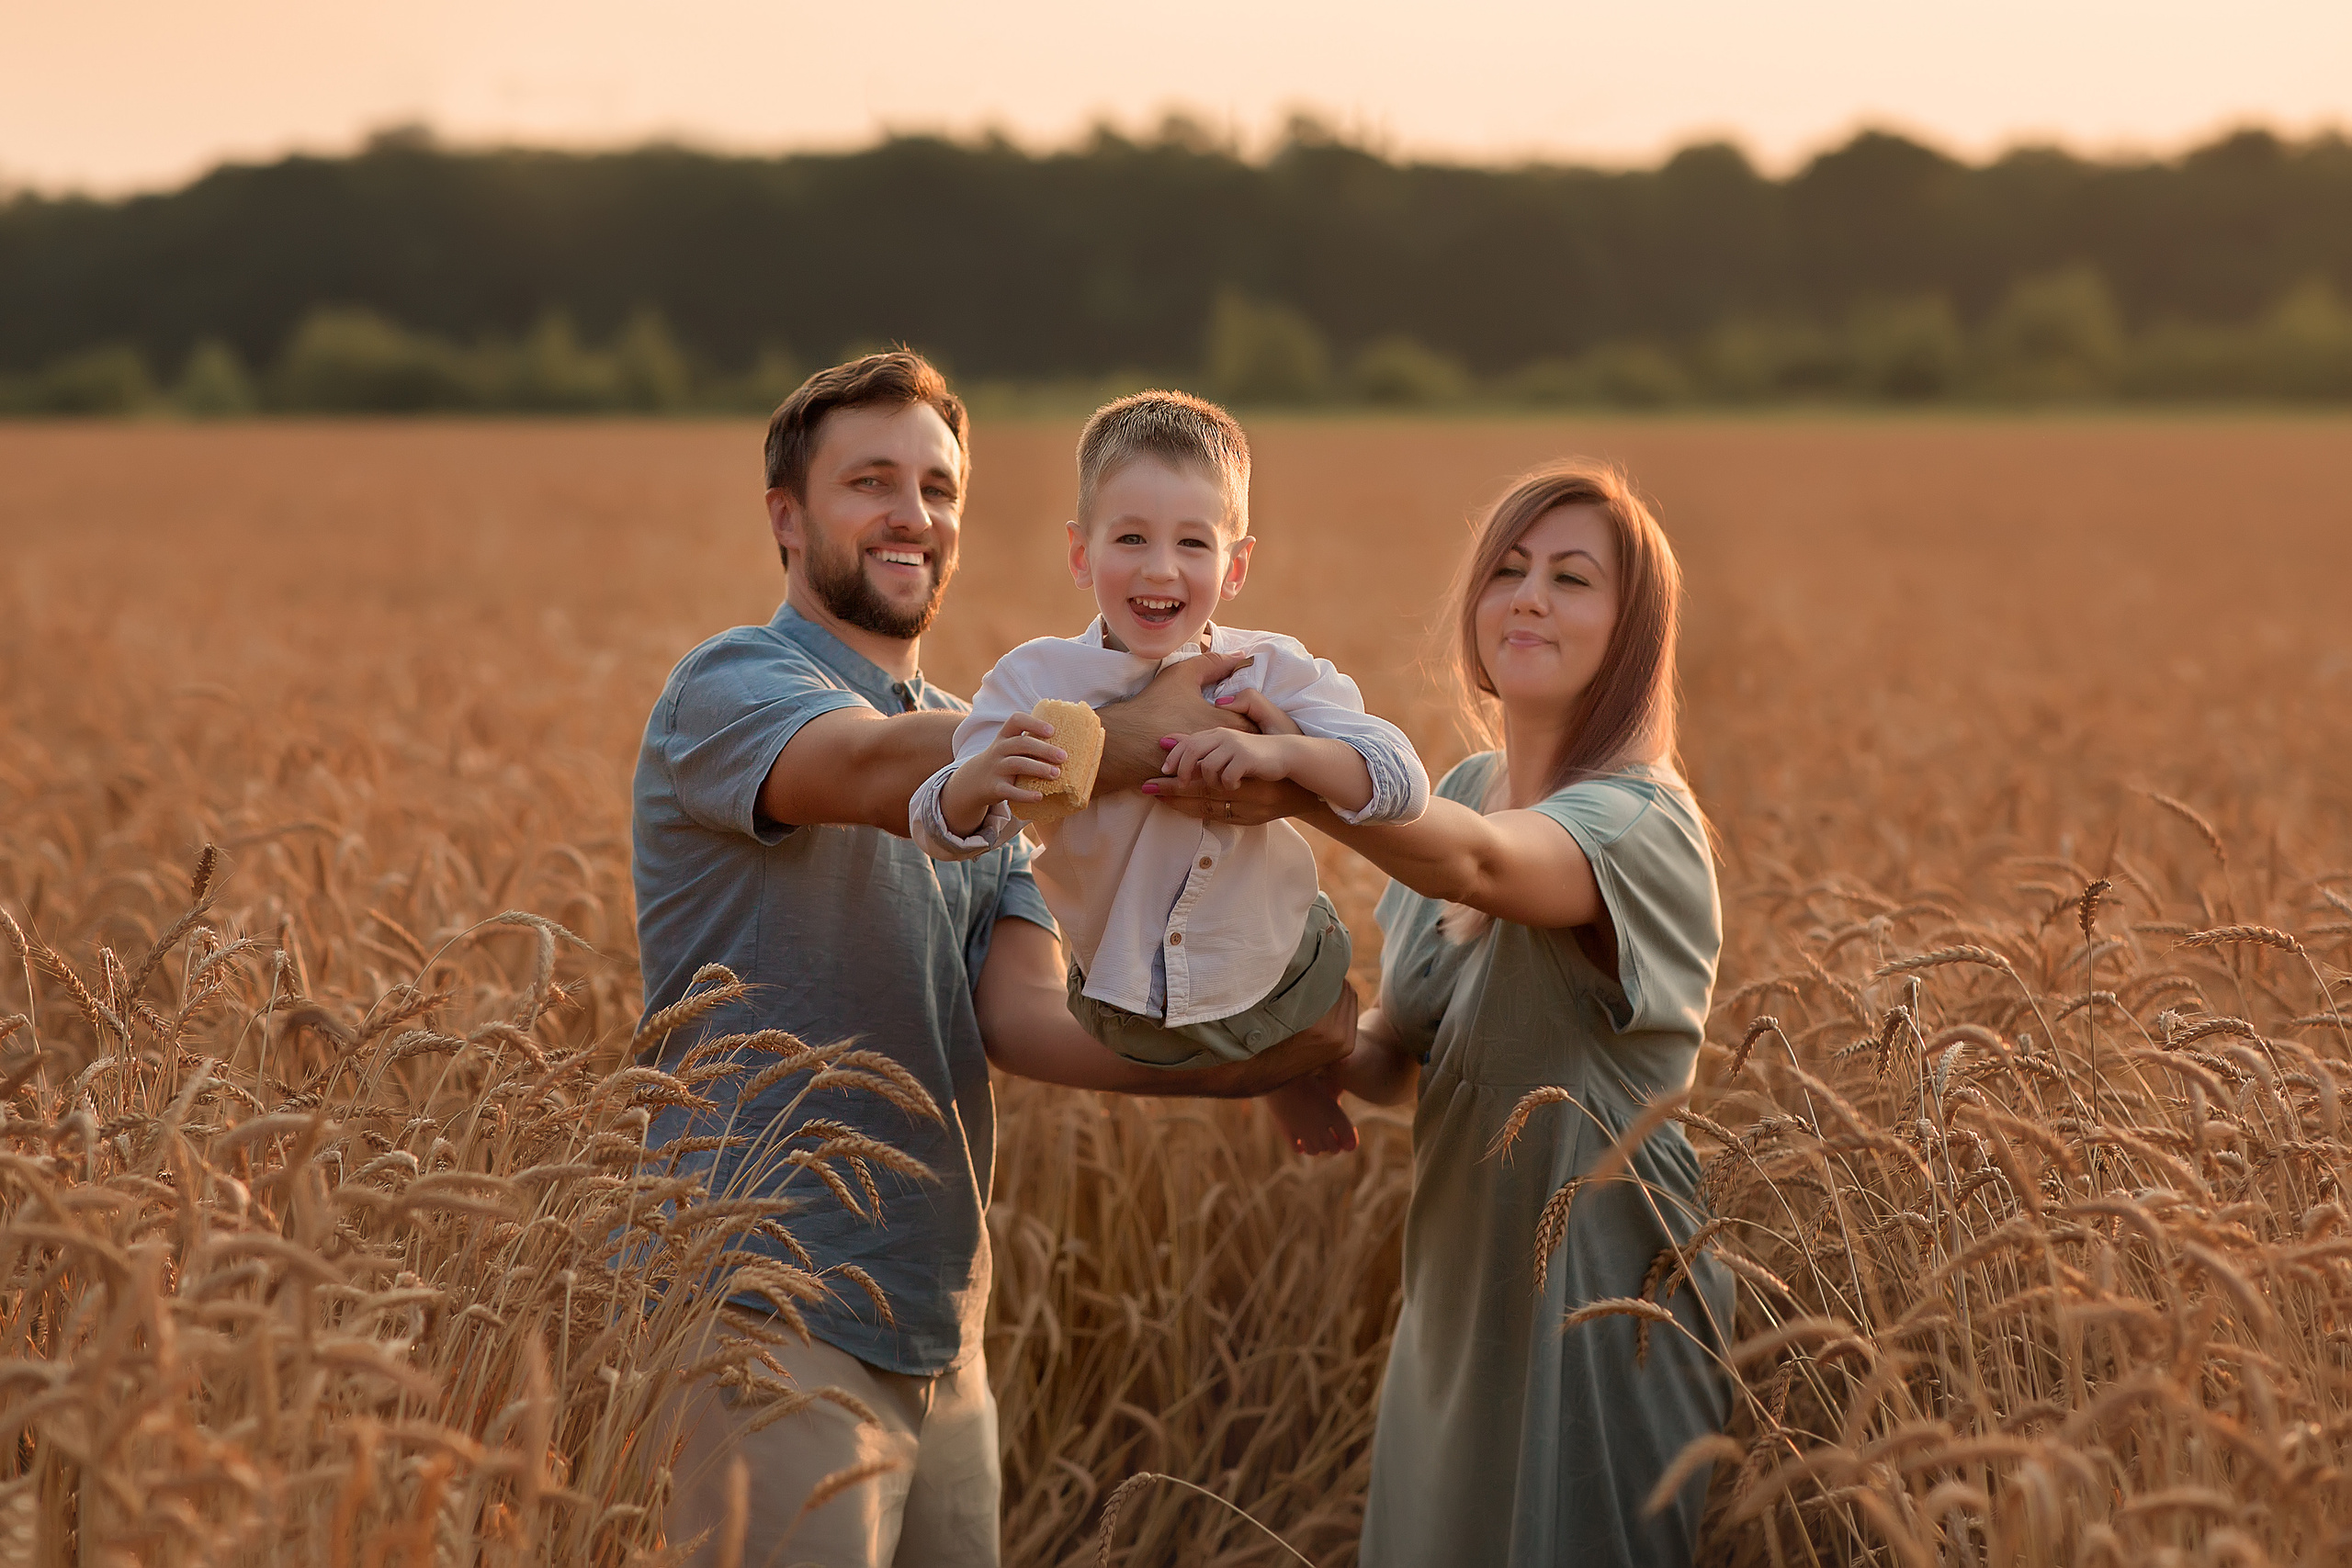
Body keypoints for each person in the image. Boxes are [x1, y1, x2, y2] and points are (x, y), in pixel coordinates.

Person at [631, 352, 1357, 1568]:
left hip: (938, 1327)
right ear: (786, 517)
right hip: (766, 1307)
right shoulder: (736, 683)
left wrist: (1250, 1055)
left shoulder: (1000, 758)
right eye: (872, 481)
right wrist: (1173, 715)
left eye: (938, 486)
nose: (914, 513)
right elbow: (871, 771)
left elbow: (1020, 1016)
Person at [1149, 460, 1733, 1565]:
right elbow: (1404, 1060)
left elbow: (1475, 867)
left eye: (1571, 579)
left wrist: (1304, 779)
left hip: (1603, 1302)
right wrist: (1284, 1043)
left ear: (1633, 633)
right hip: (1463, 1293)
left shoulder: (1641, 820)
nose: (1526, 596)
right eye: (1507, 570)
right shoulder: (1459, 789)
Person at [908, 390, 1428, 1156]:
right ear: (1081, 553)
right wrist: (983, 778)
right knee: (1237, 1056)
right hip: (1127, 1005)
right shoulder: (1033, 680)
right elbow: (938, 827)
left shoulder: (1266, 670)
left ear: (1236, 563)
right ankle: (1269, 1070)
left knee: (1325, 1030)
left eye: (1193, 543)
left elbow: (1402, 781)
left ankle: (1288, 1063)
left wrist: (1284, 755)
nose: (1161, 568)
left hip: (1282, 969)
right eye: (1131, 538)